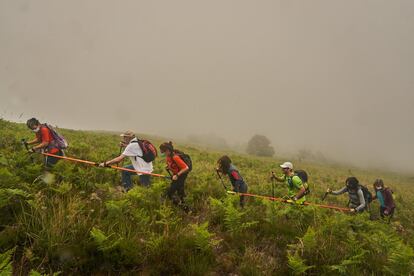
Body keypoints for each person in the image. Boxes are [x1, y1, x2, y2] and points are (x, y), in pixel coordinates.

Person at [159, 141, 190, 210]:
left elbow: (186, 168)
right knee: (180, 192)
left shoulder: (175, 157)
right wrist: (169, 167)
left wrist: (177, 175)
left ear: (168, 150)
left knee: (169, 193)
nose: (164, 154)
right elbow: (173, 165)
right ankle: (185, 209)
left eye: (164, 152)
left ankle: (183, 208)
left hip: (181, 176)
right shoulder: (168, 157)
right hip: (176, 176)